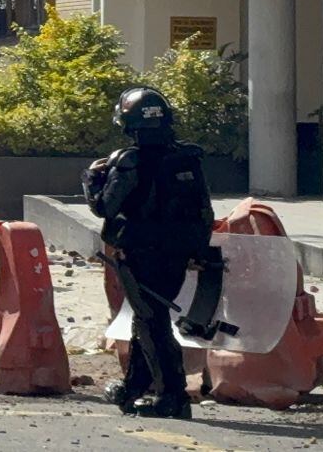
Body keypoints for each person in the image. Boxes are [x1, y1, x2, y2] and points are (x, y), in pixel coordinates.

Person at [83, 87, 214, 420]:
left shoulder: (129, 162)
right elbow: (204, 210)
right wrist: (197, 251)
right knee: (147, 320)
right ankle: (136, 387)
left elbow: (104, 207)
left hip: (141, 254)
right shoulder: (188, 158)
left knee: (152, 323)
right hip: (178, 254)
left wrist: (92, 179)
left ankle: (172, 395)